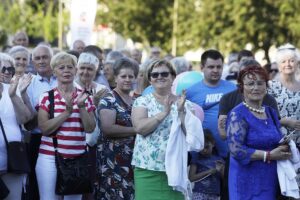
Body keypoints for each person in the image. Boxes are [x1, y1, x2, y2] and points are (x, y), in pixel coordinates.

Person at [36, 52, 96, 200]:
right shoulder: (47, 96)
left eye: (70, 67)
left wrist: (81, 107)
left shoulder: (84, 97)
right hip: (49, 157)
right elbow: (44, 129)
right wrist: (67, 112)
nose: (66, 70)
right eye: (61, 67)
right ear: (54, 71)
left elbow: (90, 128)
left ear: (76, 71)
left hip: (77, 159)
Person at [226, 66, 291, 200]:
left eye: (260, 83)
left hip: (269, 179)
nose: (256, 87)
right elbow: (236, 150)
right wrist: (268, 155)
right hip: (245, 181)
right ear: (242, 87)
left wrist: (284, 145)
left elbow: (274, 139)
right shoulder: (237, 114)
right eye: (250, 83)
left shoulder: (270, 112)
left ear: (266, 86)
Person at [131, 59, 193, 200]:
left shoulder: (186, 104)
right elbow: (140, 128)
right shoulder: (142, 101)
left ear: (173, 77)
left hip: (176, 170)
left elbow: (191, 136)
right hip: (147, 169)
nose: (160, 77)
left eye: (164, 73)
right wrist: (164, 113)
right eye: (155, 75)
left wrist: (181, 111)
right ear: (150, 80)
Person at [96, 57, 139, 200]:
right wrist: (136, 130)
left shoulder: (136, 101)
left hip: (131, 162)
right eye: (123, 76)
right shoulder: (109, 99)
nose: (127, 79)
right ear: (115, 78)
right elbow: (108, 128)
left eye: (131, 76)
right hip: (113, 162)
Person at [186, 49, 236, 158]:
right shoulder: (190, 92)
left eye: (219, 67)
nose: (215, 70)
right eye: (211, 67)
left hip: (228, 150)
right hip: (201, 153)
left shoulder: (233, 89)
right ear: (202, 67)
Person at [25, 44, 57, 200]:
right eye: (37, 58)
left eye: (45, 57)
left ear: (52, 59)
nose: (42, 61)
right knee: (38, 189)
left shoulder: (64, 78)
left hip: (65, 138)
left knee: (67, 185)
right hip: (38, 141)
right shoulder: (29, 84)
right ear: (33, 61)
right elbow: (29, 119)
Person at [0, 53, 32, 200]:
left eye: (10, 69)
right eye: (3, 68)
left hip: (12, 158)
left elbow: (24, 119)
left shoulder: (12, 89)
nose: (7, 72)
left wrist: (14, 95)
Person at [189, 129, 224, 200]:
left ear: (213, 144)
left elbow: (225, 179)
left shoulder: (219, 160)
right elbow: (191, 178)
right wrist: (208, 172)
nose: (204, 150)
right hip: (199, 193)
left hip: (214, 195)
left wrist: (221, 170)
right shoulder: (196, 158)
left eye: (207, 147)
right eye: (202, 147)